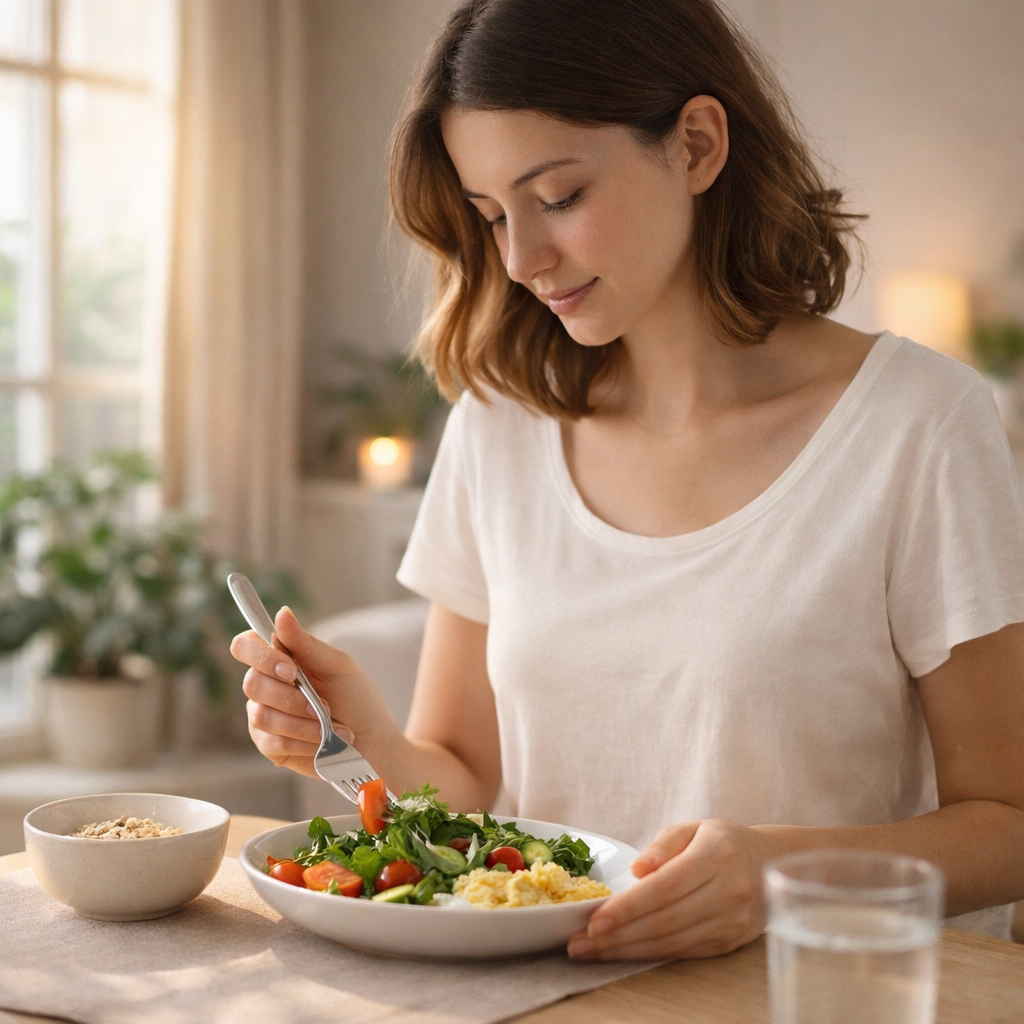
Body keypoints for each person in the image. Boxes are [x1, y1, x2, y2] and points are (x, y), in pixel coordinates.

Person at [231, 0, 1024, 958]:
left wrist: (778, 873)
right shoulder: (500, 423)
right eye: (492, 217)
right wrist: (373, 741)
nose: (521, 260)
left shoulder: (919, 423)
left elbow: (1007, 826)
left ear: (696, 146)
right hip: (550, 995)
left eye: (559, 196)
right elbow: (468, 779)